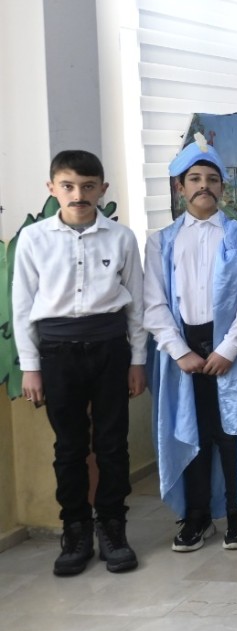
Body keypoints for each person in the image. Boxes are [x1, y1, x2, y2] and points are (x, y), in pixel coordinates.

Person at [13, 150, 147, 576]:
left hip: (109, 349)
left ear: (102, 189)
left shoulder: (121, 238)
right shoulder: (34, 239)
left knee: (112, 443)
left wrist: (137, 360)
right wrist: (30, 366)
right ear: (52, 188)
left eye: (88, 187)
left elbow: (137, 305)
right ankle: (75, 530)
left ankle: (112, 527)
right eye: (68, 186)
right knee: (69, 447)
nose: (78, 195)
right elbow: (22, 307)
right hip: (57, 353)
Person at [144, 138, 237, 552]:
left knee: (231, 431)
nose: (204, 186)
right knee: (193, 432)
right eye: (195, 179)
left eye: (212, 179)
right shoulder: (161, 241)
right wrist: (180, 351)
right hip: (182, 351)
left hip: (231, 350)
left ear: (223, 187)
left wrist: (228, 349)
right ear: (180, 187)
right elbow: (154, 303)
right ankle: (196, 515)